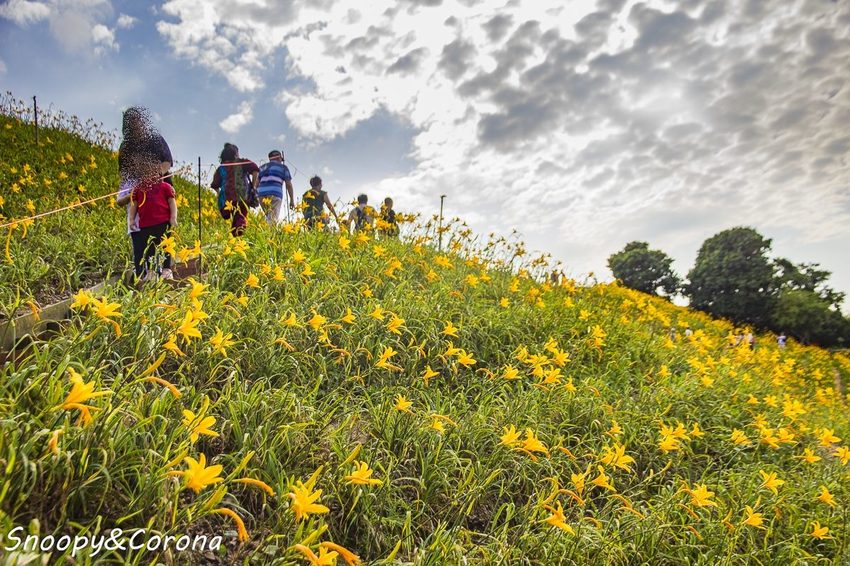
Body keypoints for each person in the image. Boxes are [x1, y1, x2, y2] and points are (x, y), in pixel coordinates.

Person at [116, 107, 173, 274]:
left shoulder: (155, 139)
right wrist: (135, 188)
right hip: (139, 195)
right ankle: (144, 271)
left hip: (160, 191)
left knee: (163, 231)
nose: (136, 126)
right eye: (131, 124)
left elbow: (167, 162)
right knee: (142, 233)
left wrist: (153, 176)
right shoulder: (126, 146)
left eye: (138, 122)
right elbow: (124, 172)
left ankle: (165, 268)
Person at [128, 161, 177, 280]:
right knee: (149, 248)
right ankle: (151, 272)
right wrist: (131, 220)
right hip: (145, 225)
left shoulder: (165, 186)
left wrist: (173, 217)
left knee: (166, 246)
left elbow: (172, 202)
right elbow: (134, 205)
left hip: (163, 222)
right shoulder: (138, 190)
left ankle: (166, 269)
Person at [211, 143, 259, 237]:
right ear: (236, 154)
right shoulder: (241, 162)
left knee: (235, 217)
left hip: (227, 200)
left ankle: (235, 238)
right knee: (241, 217)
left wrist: (220, 194)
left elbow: (215, 185)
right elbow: (255, 169)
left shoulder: (221, 168)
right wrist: (253, 186)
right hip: (242, 196)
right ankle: (239, 235)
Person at [257, 149, 294, 226]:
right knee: (272, 220)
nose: (281, 161)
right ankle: (268, 236)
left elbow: (256, 183)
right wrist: (292, 200)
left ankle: (264, 233)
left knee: (269, 217)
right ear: (279, 158)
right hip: (275, 194)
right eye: (281, 159)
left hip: (261, 194)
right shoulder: (283, 167)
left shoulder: (262, 167)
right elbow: (289, 185)